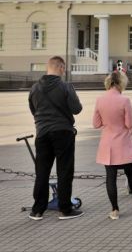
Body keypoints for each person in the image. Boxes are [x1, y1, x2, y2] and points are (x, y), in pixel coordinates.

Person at [28, 56, 84, 221]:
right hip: (63, 132)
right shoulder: (66, 86)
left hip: (42, 133)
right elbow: (77, 109)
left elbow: (33, 109)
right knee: (64, 171)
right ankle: (65, 209)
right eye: (63, 68)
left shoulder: (34, 88)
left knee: (42, 172)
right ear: (61, 67)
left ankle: (37, 210)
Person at [93, 71, 132, 220]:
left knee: (110, 178)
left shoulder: (99, 100)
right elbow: (130, 124)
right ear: (120, 83)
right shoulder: (124, 100)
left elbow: (96, 124)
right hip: (123, 143)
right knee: (131, 174)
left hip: (107, 144)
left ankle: (114, 210)